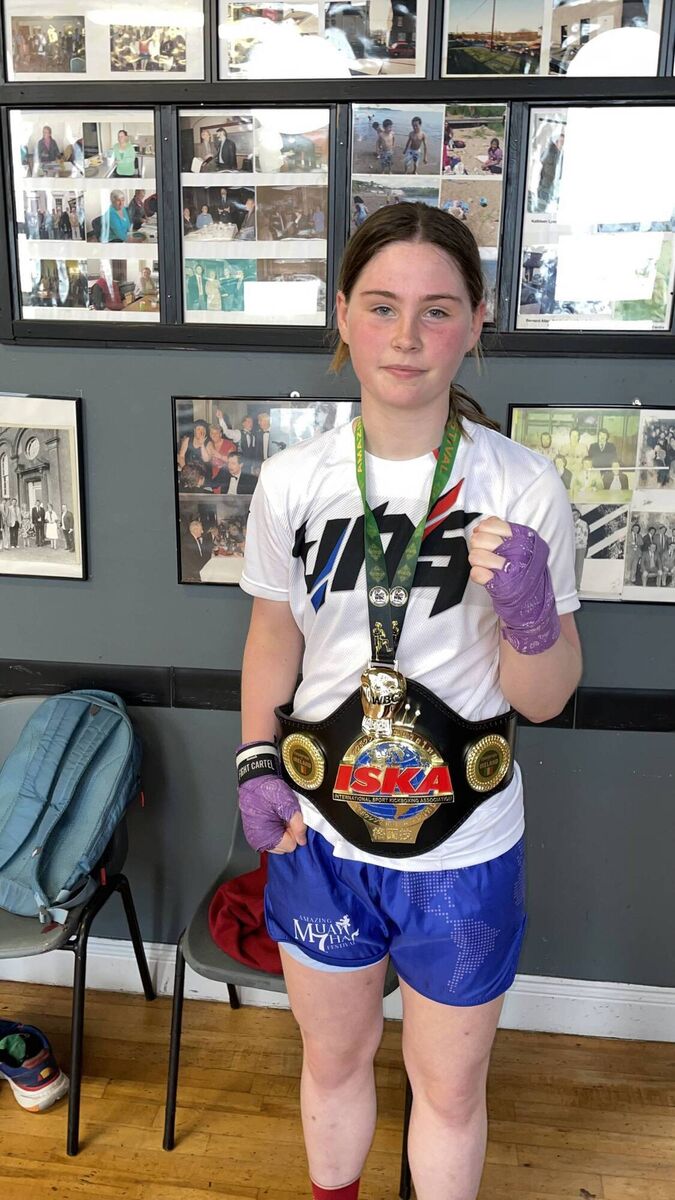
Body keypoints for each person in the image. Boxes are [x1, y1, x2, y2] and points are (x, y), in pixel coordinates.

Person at [236, 203, 581, 1200]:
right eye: (382, 306)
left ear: (476, 323)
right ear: (343, 315)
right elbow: (273, 637)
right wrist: (255, 763)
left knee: (451, 1089)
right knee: (332, 1065)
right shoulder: (293, 481)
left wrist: (526, 617)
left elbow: (548, 701)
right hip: (323, 839)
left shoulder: (523, 486)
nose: (405, 336)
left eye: (437, 311)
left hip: (463, 851)